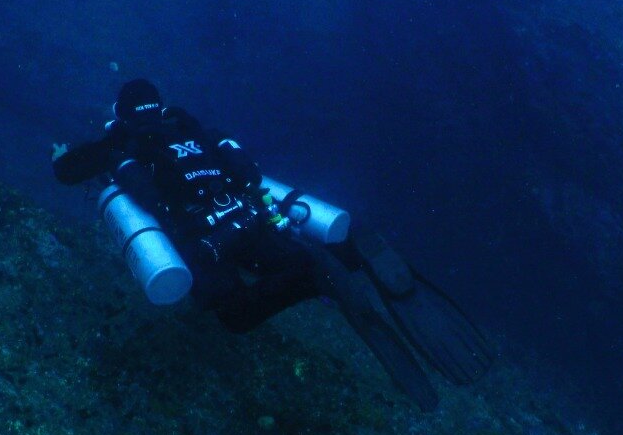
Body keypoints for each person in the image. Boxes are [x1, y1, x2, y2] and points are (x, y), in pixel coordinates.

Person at [53, 79, 493, 410]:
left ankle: (311, 276)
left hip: (204, 238)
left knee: (232, 314)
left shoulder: (121, 142)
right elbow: (242, 166)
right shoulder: (188, 127)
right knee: (280, 256)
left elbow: (70, 171)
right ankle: (346, 252)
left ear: (122, 114)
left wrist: (63, 155)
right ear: (160, 105)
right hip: (249, 217)